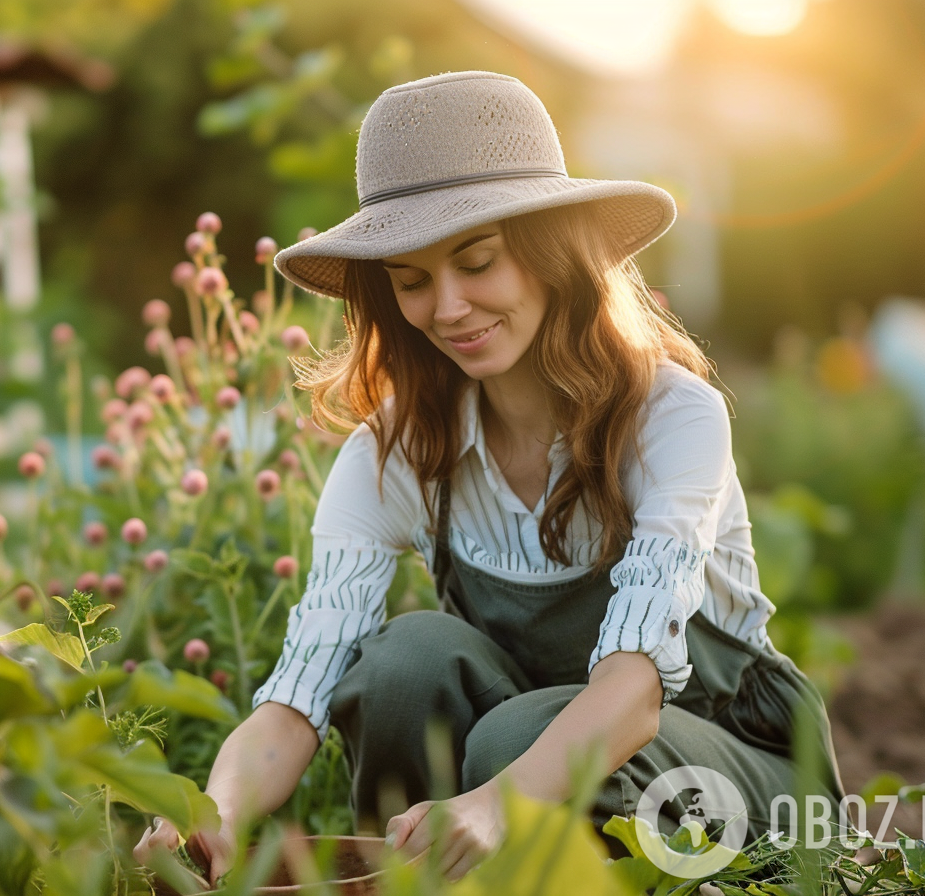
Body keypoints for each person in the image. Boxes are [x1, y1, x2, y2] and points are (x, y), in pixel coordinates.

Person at [135, 69, 847, 886]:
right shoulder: (392, 452)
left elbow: (636, 690)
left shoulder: (670, 417)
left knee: (513, 743)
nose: (448, 309)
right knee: (406, 663)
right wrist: (215, 809)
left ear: (553, 256)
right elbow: (299, 693)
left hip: (730, 773)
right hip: (530, 762)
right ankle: (410, 880)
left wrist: (494, 802)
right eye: (411, 281)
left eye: (477, 262)